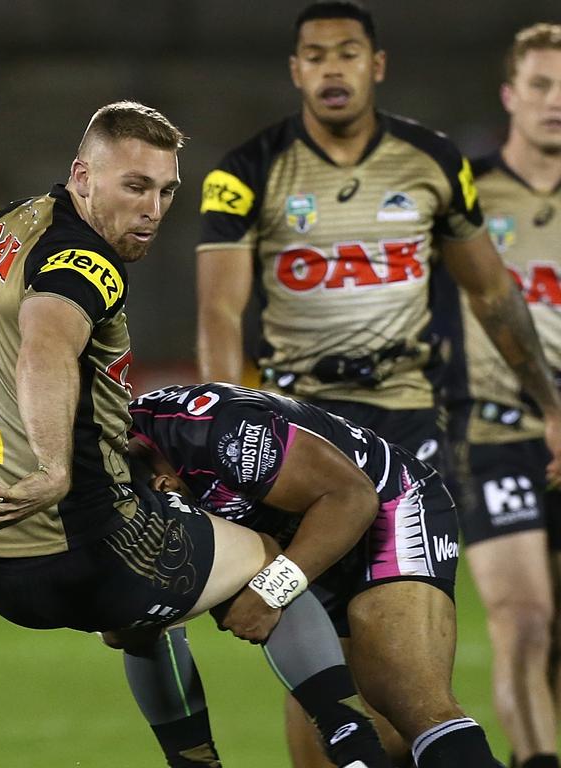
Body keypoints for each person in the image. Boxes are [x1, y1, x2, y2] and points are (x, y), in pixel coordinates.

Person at [0, 101, 392, 768]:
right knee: (265, 559)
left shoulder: (12, 223)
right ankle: (357, 745)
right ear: (83, 177)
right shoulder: (87, 264)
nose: (153, 209)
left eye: (167, 190)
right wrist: (54, 468)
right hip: (86, 542)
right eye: (134, 187)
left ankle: (193, 760)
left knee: (149, 606)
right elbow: (46, 348)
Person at [194, 2, 561, 765]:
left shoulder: (431, 161)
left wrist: (551, 406)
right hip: (298, 438)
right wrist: (222, 438)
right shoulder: (244, 173)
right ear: (296, 70)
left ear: (376, 65)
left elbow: (493, 295)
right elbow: (220, 313)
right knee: (318, 663)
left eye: (348, 53)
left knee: (405, 675)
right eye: (316, 55)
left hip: (405, 432)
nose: (333, 68)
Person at [126, 381, 506, 768]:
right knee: (362, 741)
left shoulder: (220, 432)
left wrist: (270, 591)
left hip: (382, 504)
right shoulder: (103, 477)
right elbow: (133, 621)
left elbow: (351, 498)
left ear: (164, 485)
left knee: (410, 700)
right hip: (295, 534)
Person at [439, 24, 561, 768]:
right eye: (542, 86)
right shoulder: (463, 199)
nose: (557, 102)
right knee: (523, 619)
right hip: (490, 436)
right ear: (511, 95)